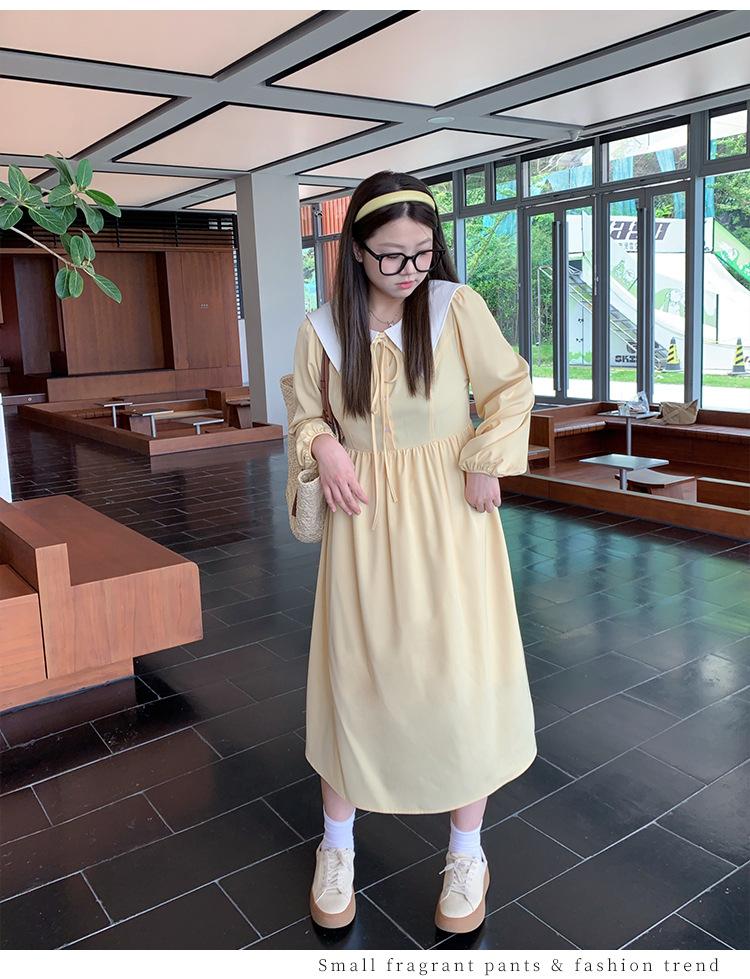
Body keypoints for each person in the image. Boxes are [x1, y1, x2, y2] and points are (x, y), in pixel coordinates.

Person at [289, 170, 537, 935]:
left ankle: (467, 854)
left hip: (451, 522)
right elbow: (304, 413)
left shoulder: (456, 308)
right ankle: (337, 846)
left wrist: (485, 457)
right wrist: (325, 444)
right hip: (362, 525)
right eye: (391, 255)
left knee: (459, 682)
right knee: (354, 680)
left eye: (422, 252)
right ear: (357, 251)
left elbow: (511, 386)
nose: (408, 269)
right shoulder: (323, 329)